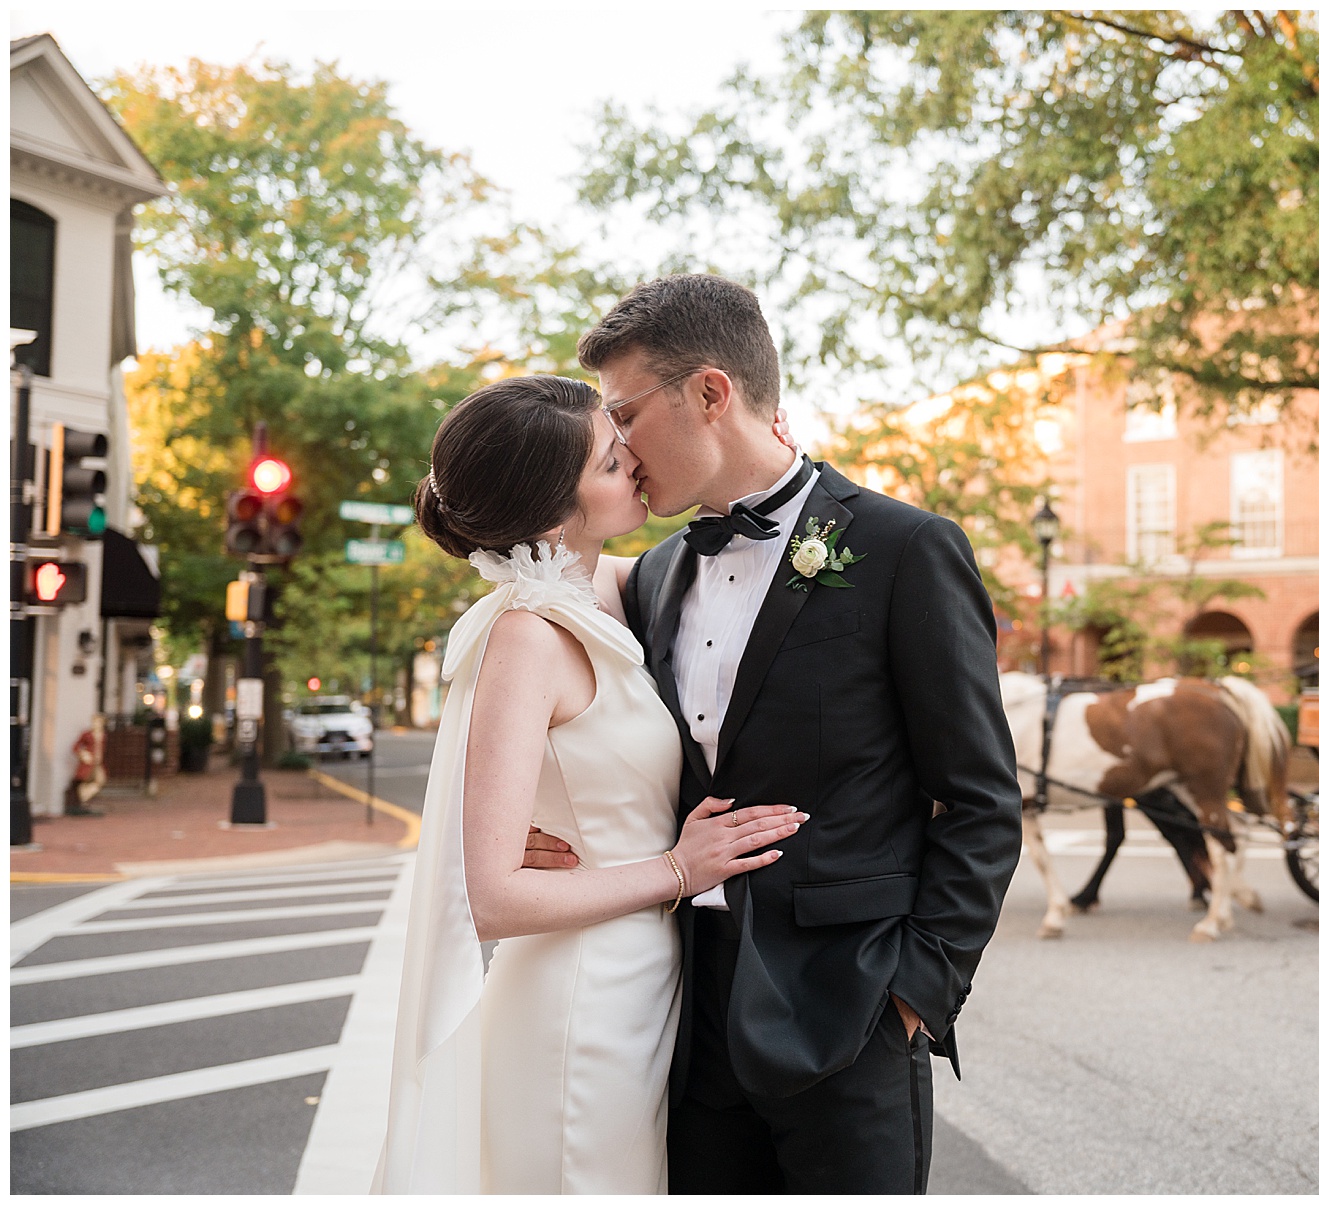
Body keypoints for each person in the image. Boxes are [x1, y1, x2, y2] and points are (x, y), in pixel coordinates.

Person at [525, 275, 1022, 1193]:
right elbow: (543, 653)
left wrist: (913, 994)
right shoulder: (657, 573)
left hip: (852, 1013)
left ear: (711, 393)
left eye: (626, 413)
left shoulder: (904, 549)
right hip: (677, 1012)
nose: (617, 445)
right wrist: (540, 818)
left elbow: (983, 801)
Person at [376, 374, 811, 1193]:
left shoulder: (603, 595)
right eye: (613, 463)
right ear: (551, 514)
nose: (637, 464)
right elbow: (494, 895)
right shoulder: (525, 637)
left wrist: (760, 442)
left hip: (642, 980)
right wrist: (679, 869)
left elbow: (734, 562)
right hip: (578, 1000)